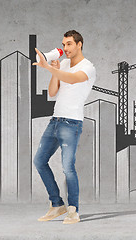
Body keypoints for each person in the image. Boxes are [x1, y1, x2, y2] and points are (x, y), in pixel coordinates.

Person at [33, 30, 96, 224]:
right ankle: (57, 204)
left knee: (68, 168)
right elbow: (53, 92)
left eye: (69, 44)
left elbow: (72, 79)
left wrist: (49, 68)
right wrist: (54, 69)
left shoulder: (88, 67)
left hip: (71, 123)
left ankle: (73, 210)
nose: (65, 48)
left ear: (79, 44)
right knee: (39, 161)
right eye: (63, 44)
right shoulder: (64, 64)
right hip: (55, 121)